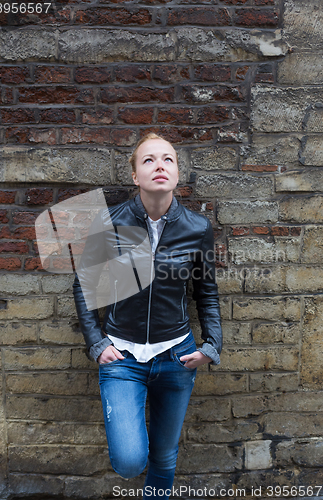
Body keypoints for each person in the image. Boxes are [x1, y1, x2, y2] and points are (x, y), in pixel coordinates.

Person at [73, 133, 222, 499]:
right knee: (129, 461)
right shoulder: (111, 221)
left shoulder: (197, 228)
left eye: (168, 159)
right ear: (136, 176)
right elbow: (84, 287)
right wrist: (96, 342)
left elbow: (206, 293)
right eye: (149, 160)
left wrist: (212, 345)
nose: (160, 166)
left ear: (177, 173)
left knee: (165, 456)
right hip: (121, 357)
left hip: (176, 356)